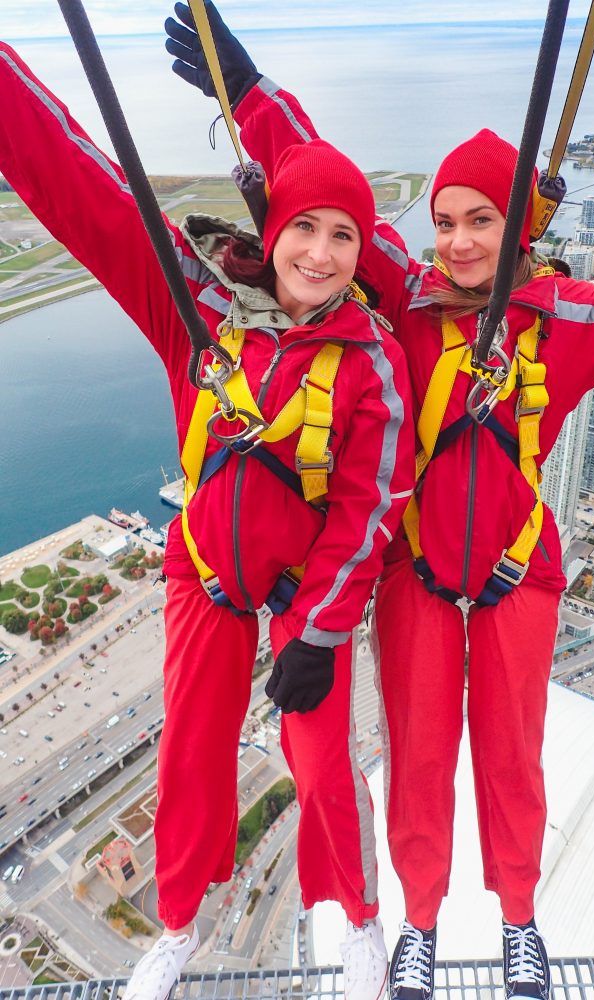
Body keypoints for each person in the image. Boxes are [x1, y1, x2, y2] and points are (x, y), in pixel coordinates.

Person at [164, 6, 594, 1000]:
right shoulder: (402, 296)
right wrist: (251, 95)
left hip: (518, 567)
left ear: (517, 227)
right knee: (421, 759)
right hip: (416, 576)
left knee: (512, 757)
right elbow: (322, 188)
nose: (460, 241)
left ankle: (521, 917)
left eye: (483, 220)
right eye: (444, 220)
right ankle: (422, 923)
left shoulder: (561, 323)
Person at [0, 39, 415, 1000]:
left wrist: (316, 634)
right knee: (190, 747)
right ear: (270, 233)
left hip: (300, 597)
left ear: (363, 256)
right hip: (203, 577)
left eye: (344, 236)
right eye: (303, 227)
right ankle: (177, 928)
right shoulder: (199, 315)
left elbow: (368, 511)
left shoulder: (370, 365)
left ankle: (358, 921)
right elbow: (81, 189)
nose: (319, 252)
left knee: (321, 759)